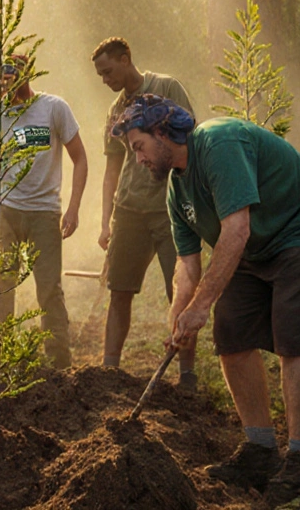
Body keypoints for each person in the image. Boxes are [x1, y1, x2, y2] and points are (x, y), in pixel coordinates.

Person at [113, 95, 300, 506]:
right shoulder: (176, 192)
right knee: (231, 337)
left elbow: (236, 229)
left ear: (163, 132)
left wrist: (202, 305)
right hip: (254, 251)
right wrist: (179, 317)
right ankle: (259, 450)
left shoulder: (218, 144)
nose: (138, 160)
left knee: (292, 341)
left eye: (138, 147)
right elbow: (186, 266)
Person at [90, 37, 196, 381]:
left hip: (170, 208)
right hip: (129, 210)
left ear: (126, 59)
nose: (106, 80)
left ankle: (186, 374)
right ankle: (110, 369)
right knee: (119, 290)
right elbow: (111, 169)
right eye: (101, 76)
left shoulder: (167, 87)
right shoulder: (115, 111)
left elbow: (191, 140)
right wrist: (106, 221)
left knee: (179, 290)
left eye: (108, 71)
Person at [0, 56, 88, 369]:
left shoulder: (53, 108)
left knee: (49, 288)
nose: (7, 86)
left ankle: (58, 363)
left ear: (27, 76)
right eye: (2, 79)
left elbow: (80, 158)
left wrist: (73, 207)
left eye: (13, 77)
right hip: (7, 211)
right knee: (3, 284)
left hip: (44, 211)